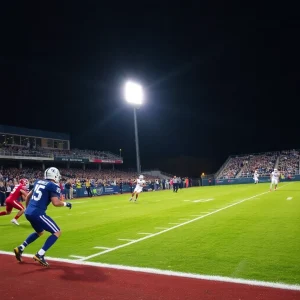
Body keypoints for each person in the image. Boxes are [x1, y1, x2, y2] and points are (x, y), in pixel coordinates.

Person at [13, 167, 72, 267]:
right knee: (57, 232)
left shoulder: (38, 182)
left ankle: (21, 248)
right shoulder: (53, 186)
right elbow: (56, 202)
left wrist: (28, 209)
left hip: (29, 212)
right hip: (38, 213)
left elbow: (27, 197)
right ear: (55, 176)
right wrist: (66, 204)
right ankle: (40, 254)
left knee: (40, 232)